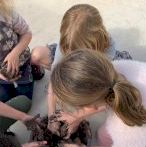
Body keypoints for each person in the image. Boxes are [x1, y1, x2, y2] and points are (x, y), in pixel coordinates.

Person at [29, 4, 131, 133]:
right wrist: (51, 116)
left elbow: (108, 92)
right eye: (69, 51)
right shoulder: (68, 42)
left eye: (75, 51)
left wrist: (76, 117)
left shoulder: (106, 51)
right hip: (81, 64)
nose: (70, 53)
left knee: (116, 92)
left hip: (97, 67)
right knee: (37, 54)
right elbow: (55, 77)